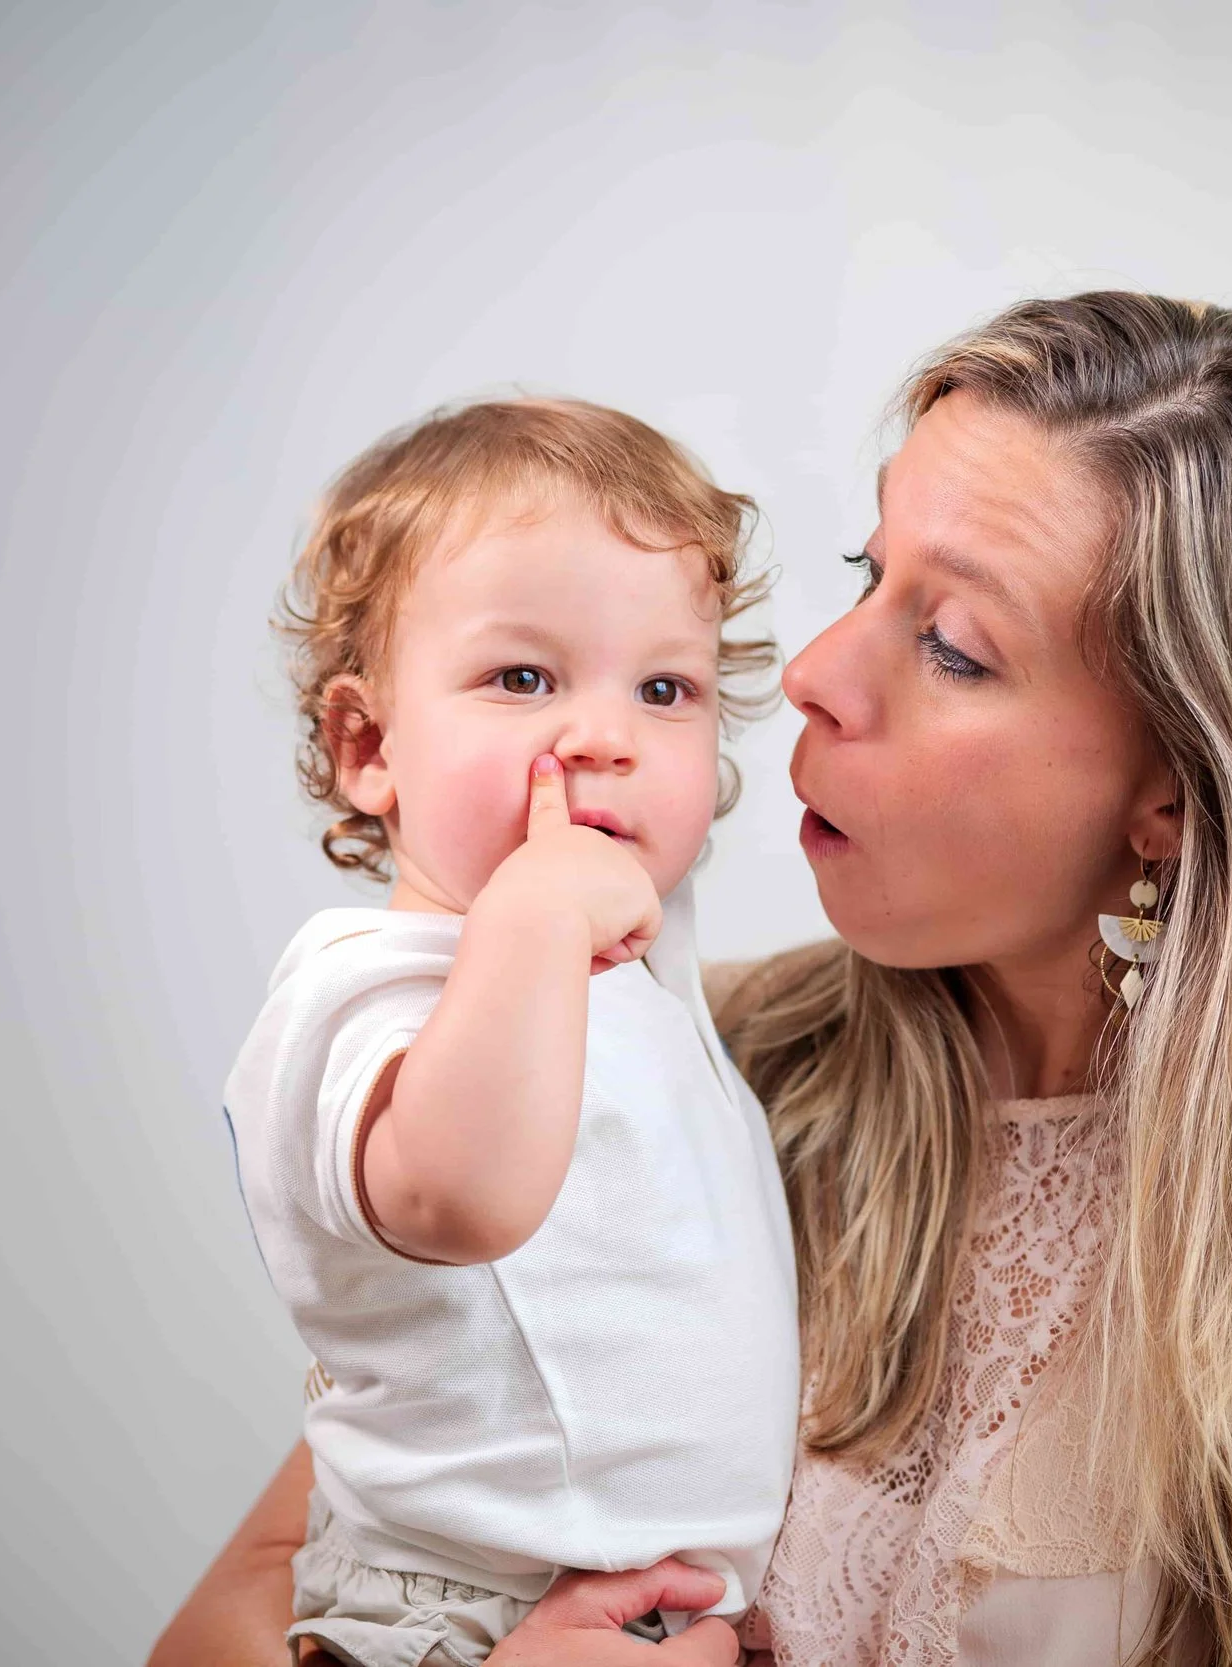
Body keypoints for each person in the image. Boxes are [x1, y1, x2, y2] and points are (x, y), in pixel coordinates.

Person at [156, 293, 1232, 1667]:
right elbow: (251, 1603)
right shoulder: (702, 1059)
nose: (807, 668)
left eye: (948, 644)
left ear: (1178, 797)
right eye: (871, 573)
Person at [218, 398, 801, 1667]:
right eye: (522, 678)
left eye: (666, 688)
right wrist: (536, 908)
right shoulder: (362, 988)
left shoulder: (647, 981)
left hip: (646, 1607)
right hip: (453, 1614)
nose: (602, 735)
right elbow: (457, 1195)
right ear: (367, 744)